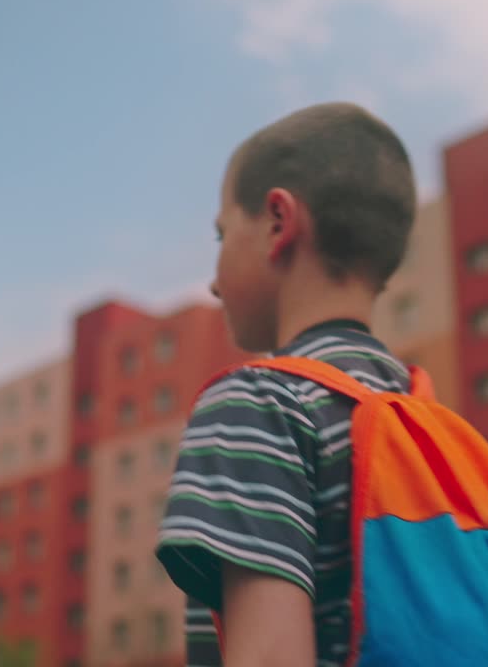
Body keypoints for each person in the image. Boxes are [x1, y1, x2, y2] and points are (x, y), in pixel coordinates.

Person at [156, 102, 417, 667]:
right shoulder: (424, 414)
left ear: (278, 222)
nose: (214, 280)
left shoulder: (259, 405)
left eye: (222, 233)